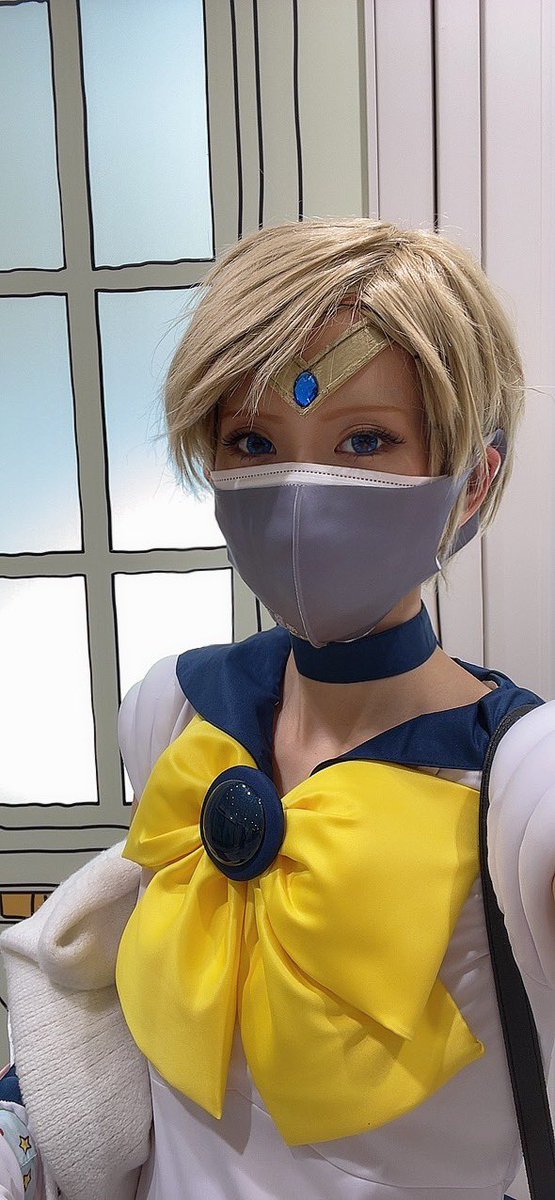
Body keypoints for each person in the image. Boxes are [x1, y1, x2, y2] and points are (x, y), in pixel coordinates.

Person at [1, 218, 554, 1200]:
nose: (299, 491)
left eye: (366, 440)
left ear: (472, 480)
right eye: (253, 442)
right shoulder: (173, 710)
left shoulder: (523, 787)